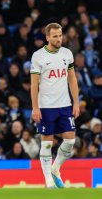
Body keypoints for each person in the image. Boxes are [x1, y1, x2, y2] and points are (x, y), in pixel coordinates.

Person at [30, 23, 79, 188]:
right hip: (46, 107)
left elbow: (72, 79)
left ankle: (55, 169)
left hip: (65, 105)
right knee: (47, 143)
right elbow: (34, 85)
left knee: (70, 141)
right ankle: (48, 180)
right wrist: (35, 107)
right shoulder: (38, 56)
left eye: (60, 35)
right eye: (55, 36)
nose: (59, 39)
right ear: (47, 37)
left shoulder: (67, 54)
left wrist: (76, 103)